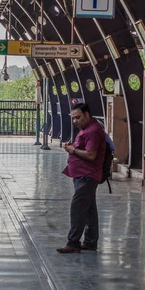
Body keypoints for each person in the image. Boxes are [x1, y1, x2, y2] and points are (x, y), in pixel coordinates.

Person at [57, 103, 105, 253]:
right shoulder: (86, 129)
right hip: (82, 175)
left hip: (87, 176)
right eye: (73, 119)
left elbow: (91, 155)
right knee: (90, 209)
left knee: (77, 208)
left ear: (87, 115)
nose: (75, 121)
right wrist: (74, 147)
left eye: (78, 117)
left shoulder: (92, 131)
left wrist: (73, 150)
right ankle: (90, 242)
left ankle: (73, 242)